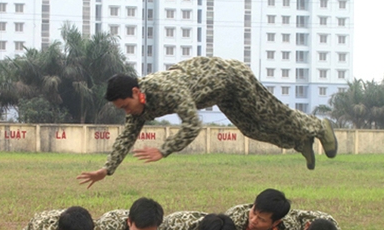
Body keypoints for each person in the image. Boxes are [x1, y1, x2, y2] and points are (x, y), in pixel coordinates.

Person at [77, 56, 337, 188]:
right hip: (221, 94)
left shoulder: (166, 87)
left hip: (232, 77)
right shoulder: (138, 108)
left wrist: (164, 149)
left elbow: (192, 125)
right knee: (251, 128)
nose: (126, 112)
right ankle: (300, 140)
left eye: (125, 106)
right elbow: (126, 137)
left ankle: (318, 127)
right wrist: (107, 169)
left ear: (135, 92)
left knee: (271, 114)